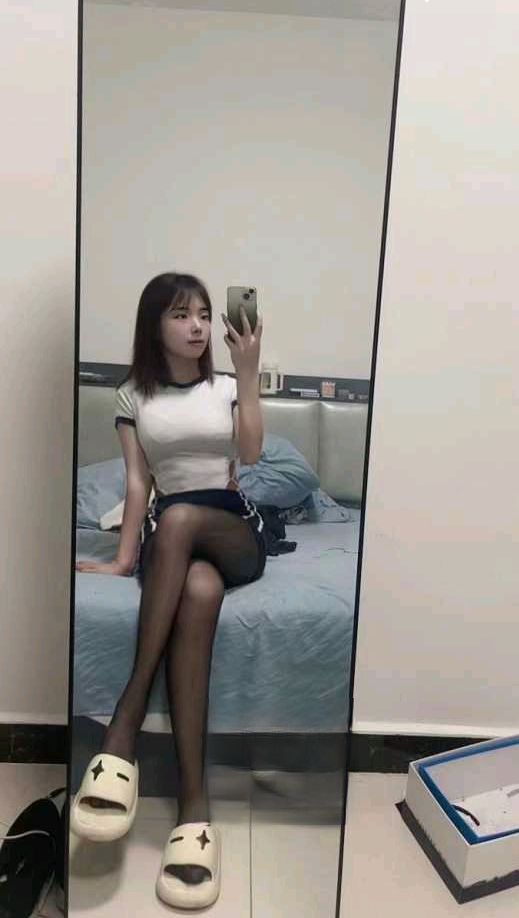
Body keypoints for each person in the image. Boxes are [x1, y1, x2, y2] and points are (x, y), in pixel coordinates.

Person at [70, 272, 267, 909]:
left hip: (231, 528)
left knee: (181, 517)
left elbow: (251, 454)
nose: (198, 326)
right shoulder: (132, 396)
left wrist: (249, 372)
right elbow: (138, 483)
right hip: (175, 540)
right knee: (199, 590)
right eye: (181, 314)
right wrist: (124, 560)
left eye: (204, 314)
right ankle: (194, 809)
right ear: (154, 324)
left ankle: (123, 725)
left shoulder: (227, 387)